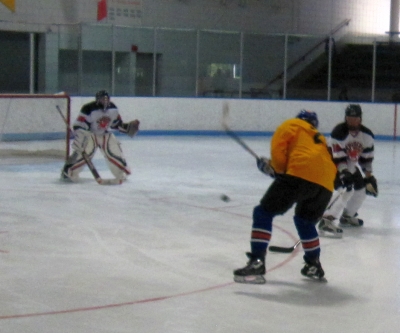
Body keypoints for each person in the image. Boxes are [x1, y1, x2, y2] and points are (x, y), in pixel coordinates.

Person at [233, 110, 337, 284]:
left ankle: (257, 261)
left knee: (263, 213)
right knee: (305, 221)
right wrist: (278, 170)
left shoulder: (291, 125)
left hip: (301, 174)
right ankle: (313, 264)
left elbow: (279, 155)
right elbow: (313, 161)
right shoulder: (318, 137)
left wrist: (271, 167)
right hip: (326, 184)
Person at [317, 104, 378, 238]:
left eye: (355, 118)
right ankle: (327, 220)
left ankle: (347, 216)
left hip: (350, 165)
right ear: (346, 118)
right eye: (349, 118)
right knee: (346, 188)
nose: (352, 121)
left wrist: (368, 177)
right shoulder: (339, 132)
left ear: (360, 119)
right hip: (331, 163)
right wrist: (344, 172)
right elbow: (338, 156)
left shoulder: (367, 135)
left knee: (361, 190)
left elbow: (366, 157)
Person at [61, 90, 139, 182]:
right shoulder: (88, 108)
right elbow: (79, 124)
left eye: (106, 99)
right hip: (90, 134)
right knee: (85, 154)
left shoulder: (113, 108)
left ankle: (121, 172)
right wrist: (80, 136)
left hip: (105, 134)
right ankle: (69, 171)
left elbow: (115, 124)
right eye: (102, 99)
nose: (105, 101)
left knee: (113, 152)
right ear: (97, 100)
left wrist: (126, 128)